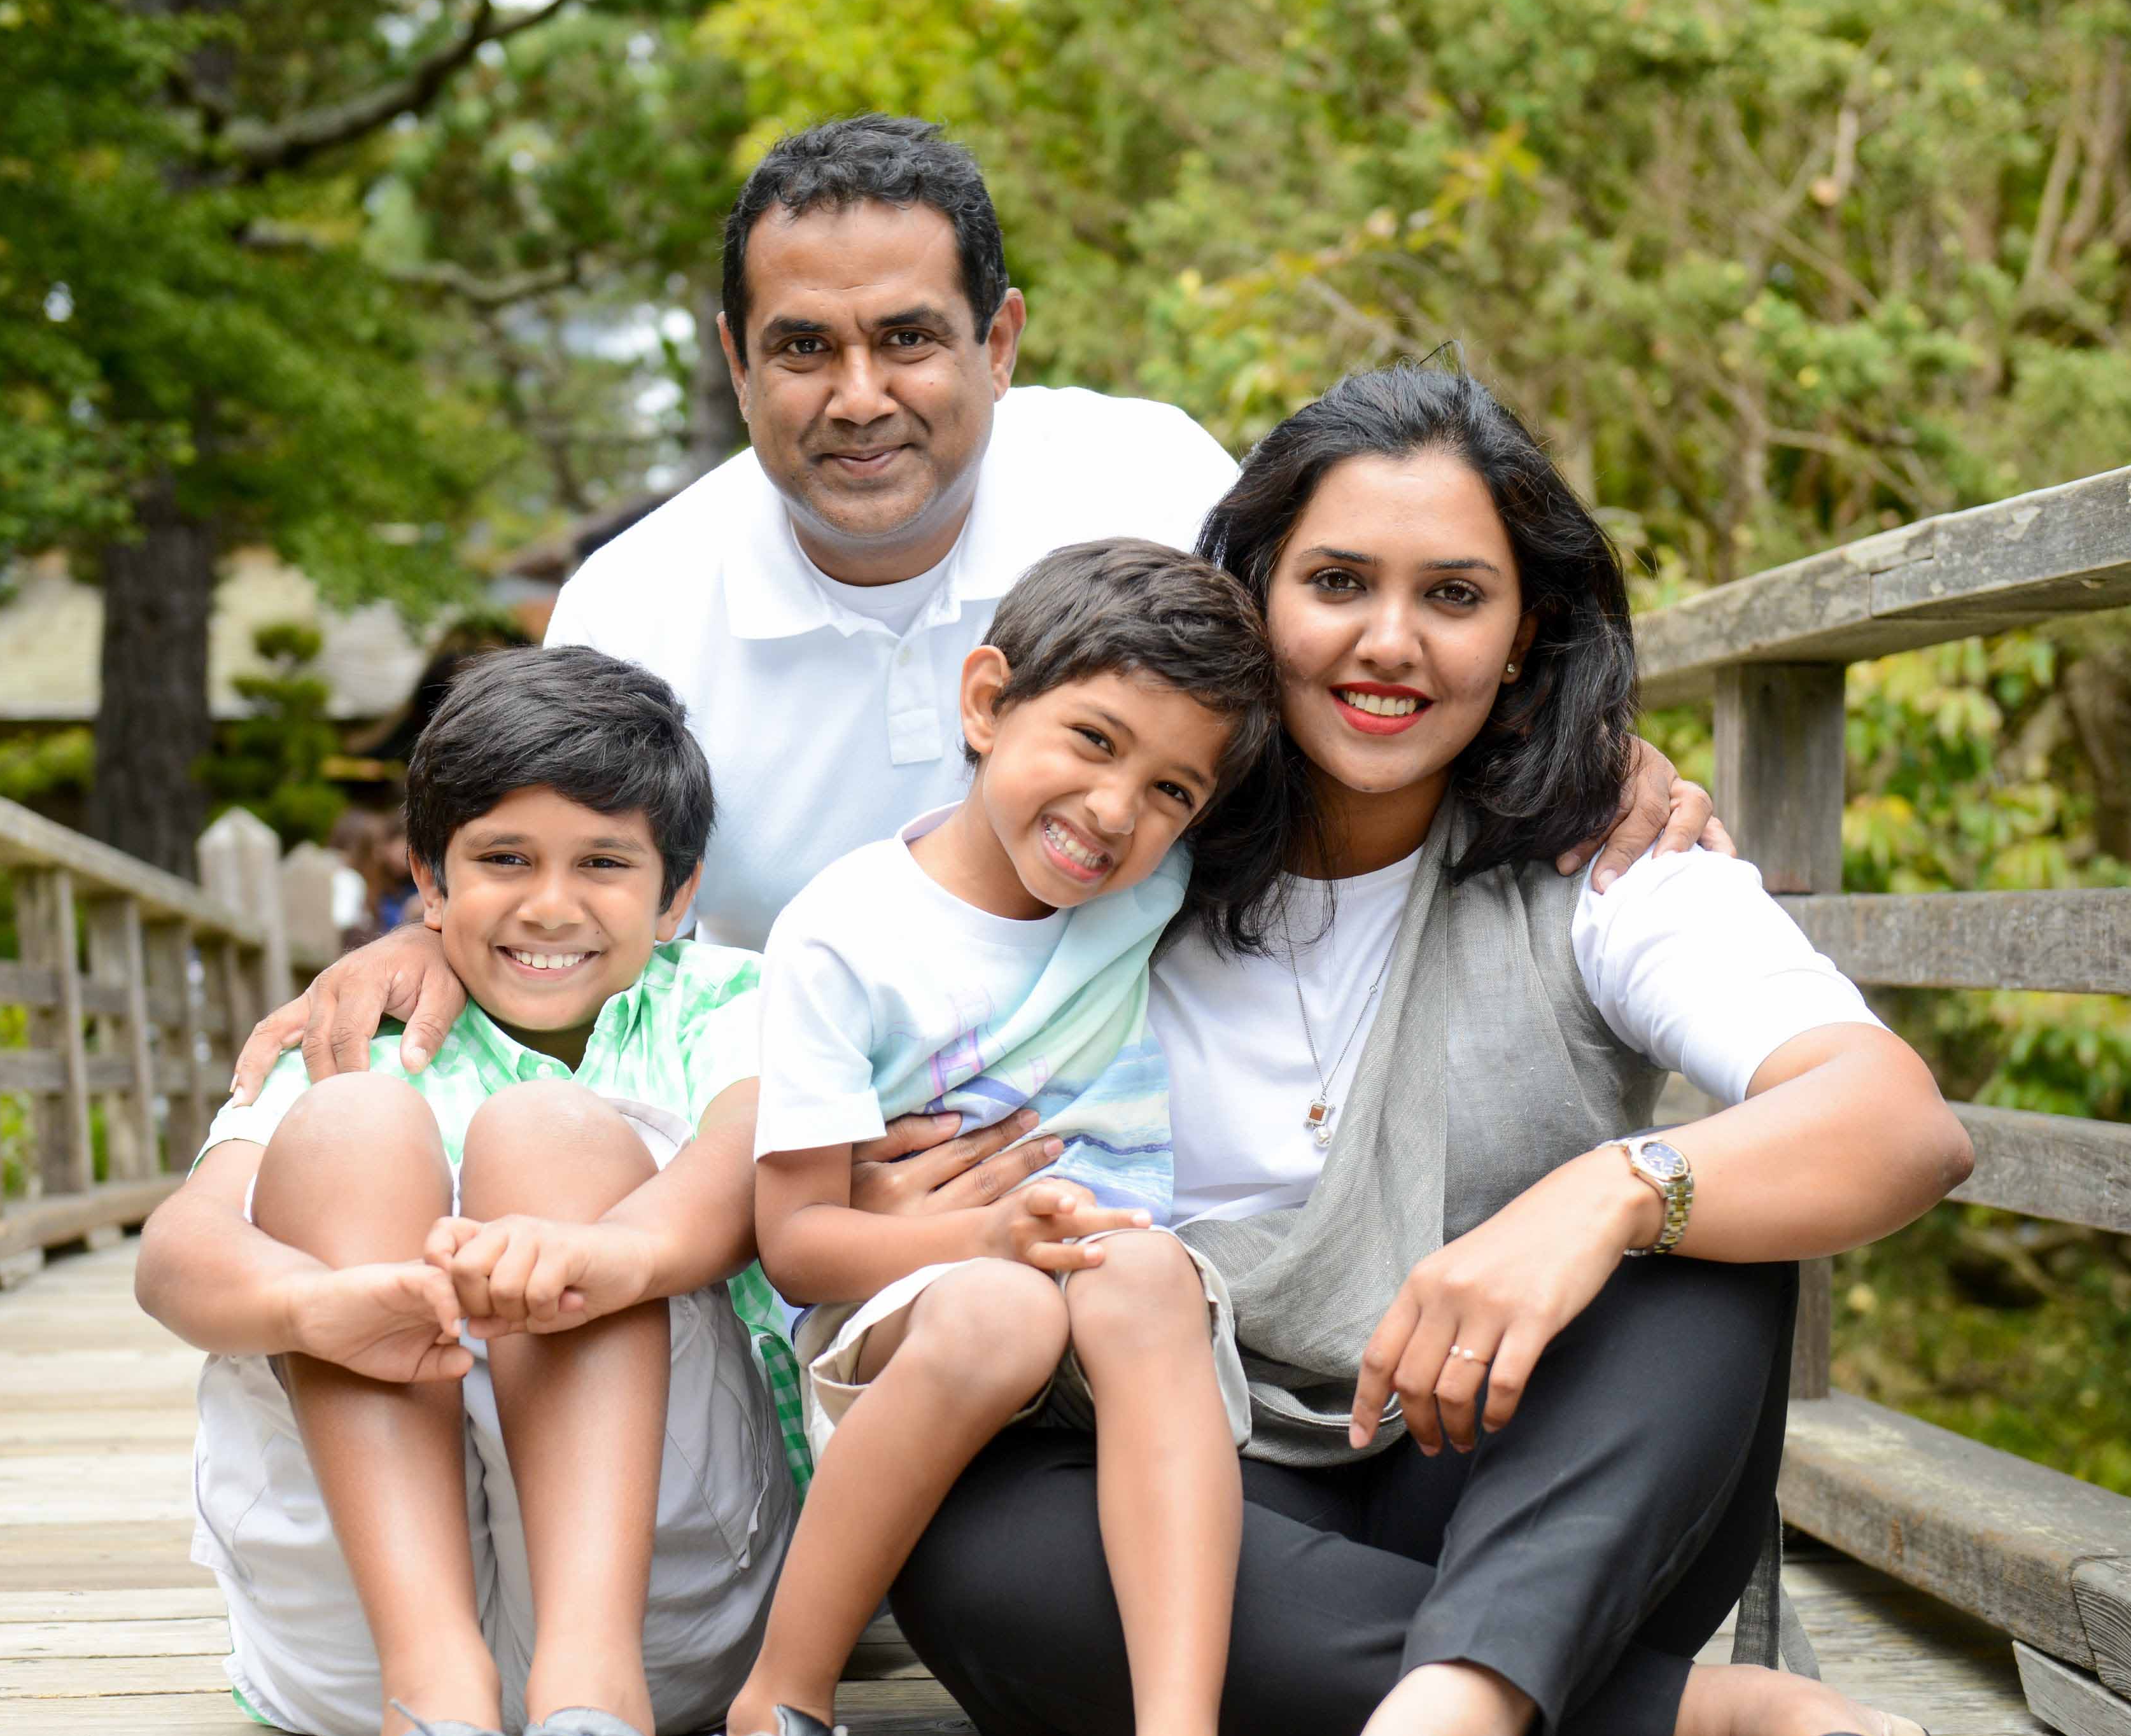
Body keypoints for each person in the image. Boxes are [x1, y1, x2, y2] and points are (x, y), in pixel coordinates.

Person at [875, 366, 1978, 1736]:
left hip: (1500, 1488)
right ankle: (1735, 1725)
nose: (1390, 641)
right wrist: (431, 952)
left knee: (1702, 1242)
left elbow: (1899, 1121)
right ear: (1250, 598)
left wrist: (1611, 1189)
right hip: (1185, 1522)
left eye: (1453, 596)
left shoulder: (1608, 867)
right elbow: (803, 982)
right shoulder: (1100, 846)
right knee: (968, 1539)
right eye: (1338, 584)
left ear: (1525, 638)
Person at [230, 114, 1715, 1099]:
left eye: (910, 339)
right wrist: (441, 937)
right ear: (736, 361)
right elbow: (557, 870)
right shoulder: (633, 600)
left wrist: (1567, 754)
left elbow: (1366, 675)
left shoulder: (1152, 478)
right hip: (780, 1135)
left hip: (1141, 1104)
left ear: (998, 341)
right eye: (803, 346)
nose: (859, 398)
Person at [697, 540, 1303, 1736]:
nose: (1115, 812)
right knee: (992, 1314)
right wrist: (977, 1234)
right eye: (1090, 742)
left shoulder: (1145, 888)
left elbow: (1417, 770)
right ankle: (773, 1718)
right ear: (987, 699)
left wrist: (1629, 769)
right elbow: (797, 1239)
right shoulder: (847, 934)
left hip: (1101, 1287)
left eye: (1173, 790)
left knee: (1150, 1275)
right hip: (919, 1301)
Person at [132, 648, 799, 1736]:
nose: (551, 903)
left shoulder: (732, 1000)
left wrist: (600, 1255)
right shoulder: (356, 1034)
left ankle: (590, 1723)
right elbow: (177, 1253)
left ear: (679, 895)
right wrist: (312, 1305)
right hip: (356, 1637)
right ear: (426, 885)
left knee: (551, 1130)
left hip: (659, 1618)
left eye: (603, 862)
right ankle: (434, 1718)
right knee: (348, 1128)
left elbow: (739, 1166)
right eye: (503, 860)